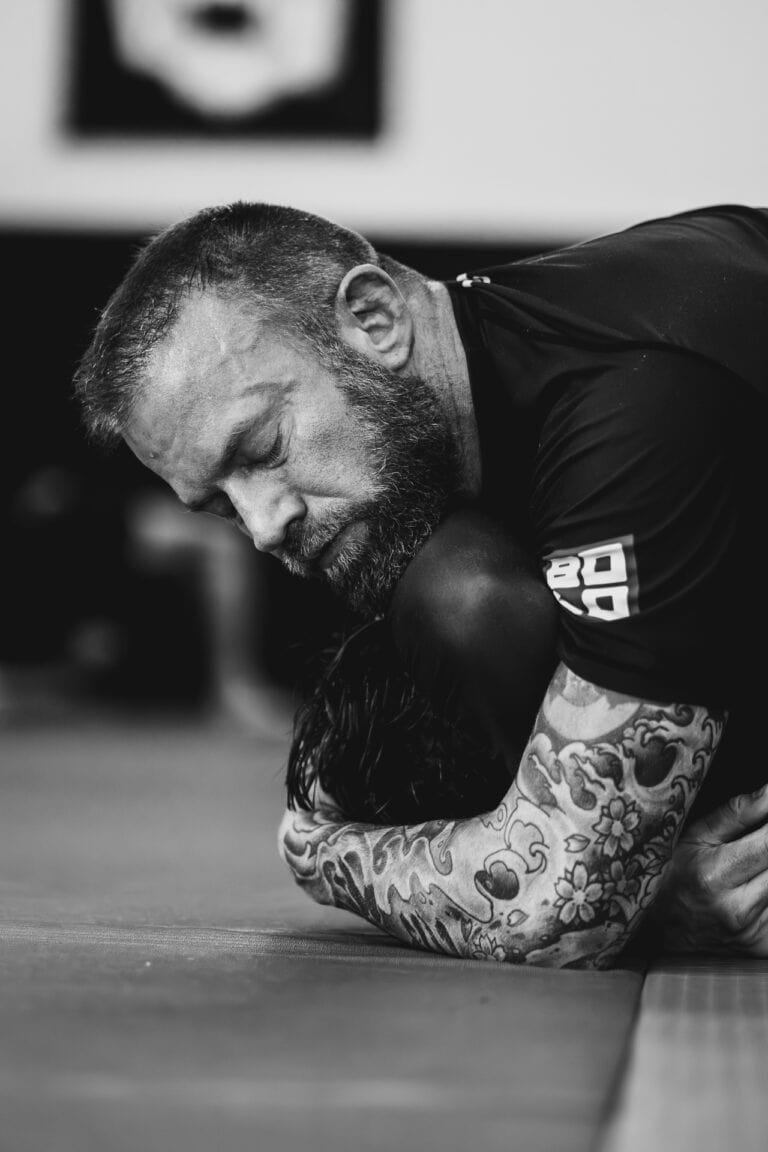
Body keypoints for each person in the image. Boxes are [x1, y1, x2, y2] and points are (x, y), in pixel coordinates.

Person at [73, 201, 768, 966]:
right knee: (454, 593)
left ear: (374, 319)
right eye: (219, 507)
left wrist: (327, 854)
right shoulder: (483, 376)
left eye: (264, 446)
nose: (264, 523)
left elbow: (562, 912)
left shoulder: (634, 399)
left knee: (465, 604)